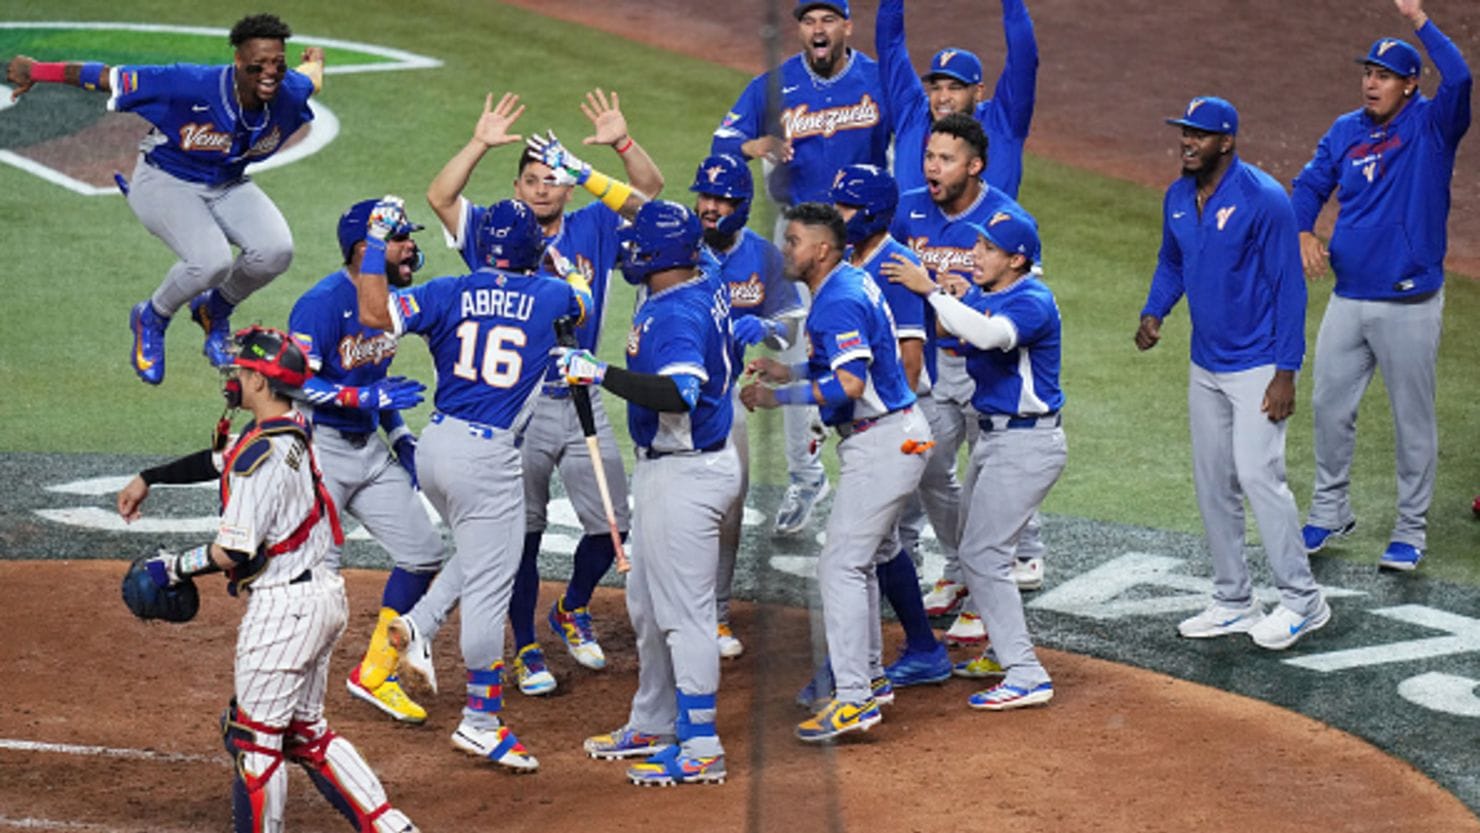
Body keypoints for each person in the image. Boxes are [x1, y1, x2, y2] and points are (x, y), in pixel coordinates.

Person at [114, 326, 417, 832]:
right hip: (322, 597)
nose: (232, 379)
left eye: (239, 371)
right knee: (304, 733)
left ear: (259, 380)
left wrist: (172, 567)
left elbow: (234, 549)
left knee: (255, 740)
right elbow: (219, 460)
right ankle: (389, 825)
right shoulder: (295, 428)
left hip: (285, 610)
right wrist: (150, 476)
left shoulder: (259, 460)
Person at [424, 90, 658, 695]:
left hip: (582, 398)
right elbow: (441, 197)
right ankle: (526, 645)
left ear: (570, 188)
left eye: (554, 180)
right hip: (516, 412)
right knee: (520, 535)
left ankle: (572, 606)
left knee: (614, 526)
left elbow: (648, 197)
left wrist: (618, 148)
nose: (543, 190)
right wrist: (478, 141)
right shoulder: (495, 233)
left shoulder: (594, 224)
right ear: (517, 185)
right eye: (531, 180)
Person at [356, 196, 593, 771]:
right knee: (491, 585)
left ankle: (418, 624)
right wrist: (564, 266)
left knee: (489, 551)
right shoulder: (552, 295)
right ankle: (480, 723)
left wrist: (371, 245)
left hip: (435, 447)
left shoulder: (446, 291)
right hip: (488, 458)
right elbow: (583, 300)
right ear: (531, 250)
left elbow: (373, 312)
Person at [6, 14, 324, 385]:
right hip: (164, 180)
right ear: (238, 60)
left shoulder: (288, 90)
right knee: (212, 262)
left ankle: (212, 311)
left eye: (277, 63)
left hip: (227, 184)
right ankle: (152, 316)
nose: (270, 72)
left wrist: (315, 60)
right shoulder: (189, 85)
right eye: (259, 64)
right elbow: (105, 76)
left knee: (276, 251)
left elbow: (311, 79)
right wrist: (38, 70)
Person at [558, 201, 742, 786]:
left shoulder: (676, 316)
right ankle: (655, 719)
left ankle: (701, 744)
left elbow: (681, 391)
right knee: (644, 601)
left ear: (660, 255)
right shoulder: (701, 271)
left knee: (686, 615)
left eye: (639, 242)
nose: (629, 248)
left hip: (686, 474)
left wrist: (598, 373)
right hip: (677, 469)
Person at [1137, 96, 1330, 651]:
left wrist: (1285, 372)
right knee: (1213, 480)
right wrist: (1156, 310)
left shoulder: (1264, 199)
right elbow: (1173, 259)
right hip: (1206, 364)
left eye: (1199, 135)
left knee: (1259, 476)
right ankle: (1233, 599)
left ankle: (1302, 600)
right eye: (1184, 134)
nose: (1187, 143)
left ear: (1226, 141)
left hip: (1258, 366)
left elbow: (1290, 289)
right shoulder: (1178, 195)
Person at [741, 202, 932, 741]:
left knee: (840, 567)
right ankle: (868, 677)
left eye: (794, 241)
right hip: (892, 433)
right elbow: (851, 363)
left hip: (883, 442)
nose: (786, 250)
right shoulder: (847, 282)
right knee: (863, 562)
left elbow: (848, 386)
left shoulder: (837, 301)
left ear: (821, 250)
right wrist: (790, 369)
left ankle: (853, 700)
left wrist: (777, 397)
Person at [1293, 0, 1471, 572]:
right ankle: (1329, 510)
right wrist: (1301, 230)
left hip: (1411, 302)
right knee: (1327, 406)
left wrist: (1419, 19)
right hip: (1350, 297)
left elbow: (1463, 76)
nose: (1371, 83)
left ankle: (1410, 530)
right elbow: (1310, 184)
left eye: (1385, 75)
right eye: (1368, 73)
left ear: (1411, 85)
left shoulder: (1433, 126)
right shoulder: (1345, 131)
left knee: (1411, 420)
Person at [712, 0, 894, 536]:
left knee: (876, 346)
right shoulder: (775, 85)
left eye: (827, 20)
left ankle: (881, 467)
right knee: (793, 347)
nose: (817, 29)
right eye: (809, 21)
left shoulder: (879, 80)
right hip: (795, 230)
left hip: (862, 233)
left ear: (846, 27)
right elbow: (723, 142)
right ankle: (806, 474)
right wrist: (756, 144)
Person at [887, 212, 1059, 708]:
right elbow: (956, 335)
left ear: (1017, 259)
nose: (975, 254)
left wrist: (931, 292)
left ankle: (1026, 674)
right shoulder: (992, 295)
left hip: (1027, 444)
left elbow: (989, 338)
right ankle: (1003, 653)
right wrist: (954, 298)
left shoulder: (1032, 301)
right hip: (997, 440)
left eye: (987, 248)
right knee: (978, 550)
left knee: (982, 555)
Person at [888, 112, 1044, 647]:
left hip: (986, 373)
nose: (932, 166)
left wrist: (957, 291)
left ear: (974, 166)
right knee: (930, 468)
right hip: (931, 366)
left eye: (946, 158)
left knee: (986, 486)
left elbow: (1020, 302)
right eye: (929, 156)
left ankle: (982, 593)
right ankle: (958, 570)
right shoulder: (907, 208)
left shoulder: (1006, 221)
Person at [288, 200, 447, 726]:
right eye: (401, 239)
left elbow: (377, 385)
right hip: (320, 449)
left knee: (424, 554)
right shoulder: (321, 303)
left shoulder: (390, 303)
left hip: (368, 449)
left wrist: (400, 435)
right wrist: (359, 402)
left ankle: (375, 673)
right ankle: (290, 691)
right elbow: (293, 382)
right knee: (315, 577)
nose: (412, 248)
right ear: (366, 249)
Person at [691, 153, 805, 659]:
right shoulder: (677, 241)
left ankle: (714, 615)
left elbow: (792, 320)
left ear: (742, 205)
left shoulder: (761, 256)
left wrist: (768, 330)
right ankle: (656, 603)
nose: (710, 208)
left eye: (723, 200)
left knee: (729, 508)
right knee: (659, 506)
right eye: (705, 196)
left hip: (722, 397)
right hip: (665, 399)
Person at [875, 0, 1039, 197]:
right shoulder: (912, 117)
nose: (943, 98)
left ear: (978, 92)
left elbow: (1023, 58)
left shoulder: (1004, 122)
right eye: (936, 88)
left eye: (955, 88)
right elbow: (889, 46)